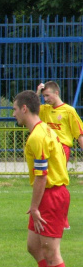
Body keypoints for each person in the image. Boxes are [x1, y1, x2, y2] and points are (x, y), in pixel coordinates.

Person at [12, 90, 70, 267]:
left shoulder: (37, 136)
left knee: (50, 250)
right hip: (50, 193)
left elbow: (42, 175)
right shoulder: (43, 128)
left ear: (24, 109)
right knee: (33, 246)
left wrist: (35, 206)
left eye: (15, 109)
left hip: (52, 194)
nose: (14, 114)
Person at [36, 81, 83, 229]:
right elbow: (29, 108)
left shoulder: (69, 111)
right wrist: (37, 92)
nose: (45, 99)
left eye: (47, 96)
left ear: (56, 93)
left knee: (57, 184)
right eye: (43, 96)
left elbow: (79, 134)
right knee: (46, 182)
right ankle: (48, 215)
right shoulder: (44, 110)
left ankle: (63, 220)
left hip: (62, 149)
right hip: (46, 148)